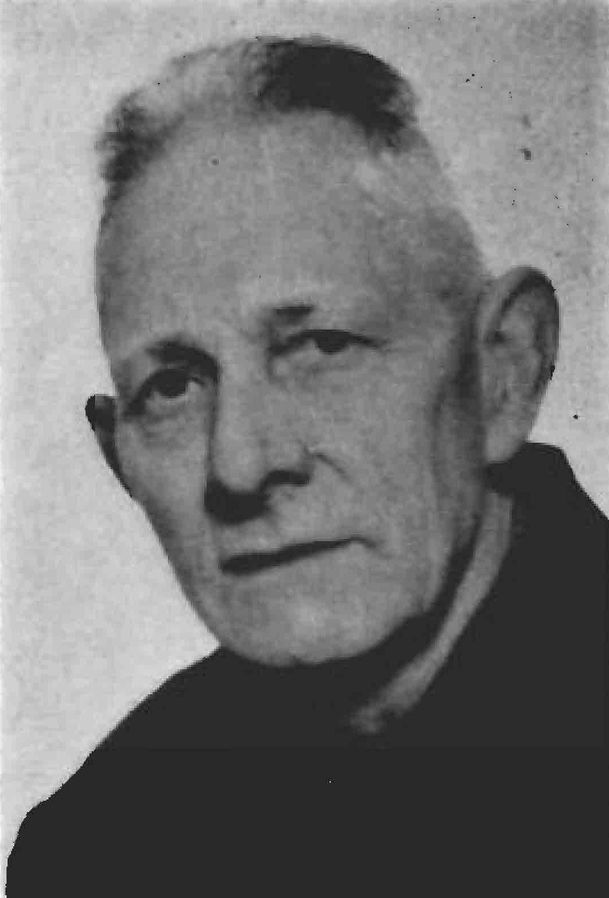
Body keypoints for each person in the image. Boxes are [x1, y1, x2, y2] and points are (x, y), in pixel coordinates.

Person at [7, 34, 606, 892]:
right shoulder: (93, 850)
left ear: (501, 372)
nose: (242, 464)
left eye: (322, 346)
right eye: (173, 387)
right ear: (120, 459)